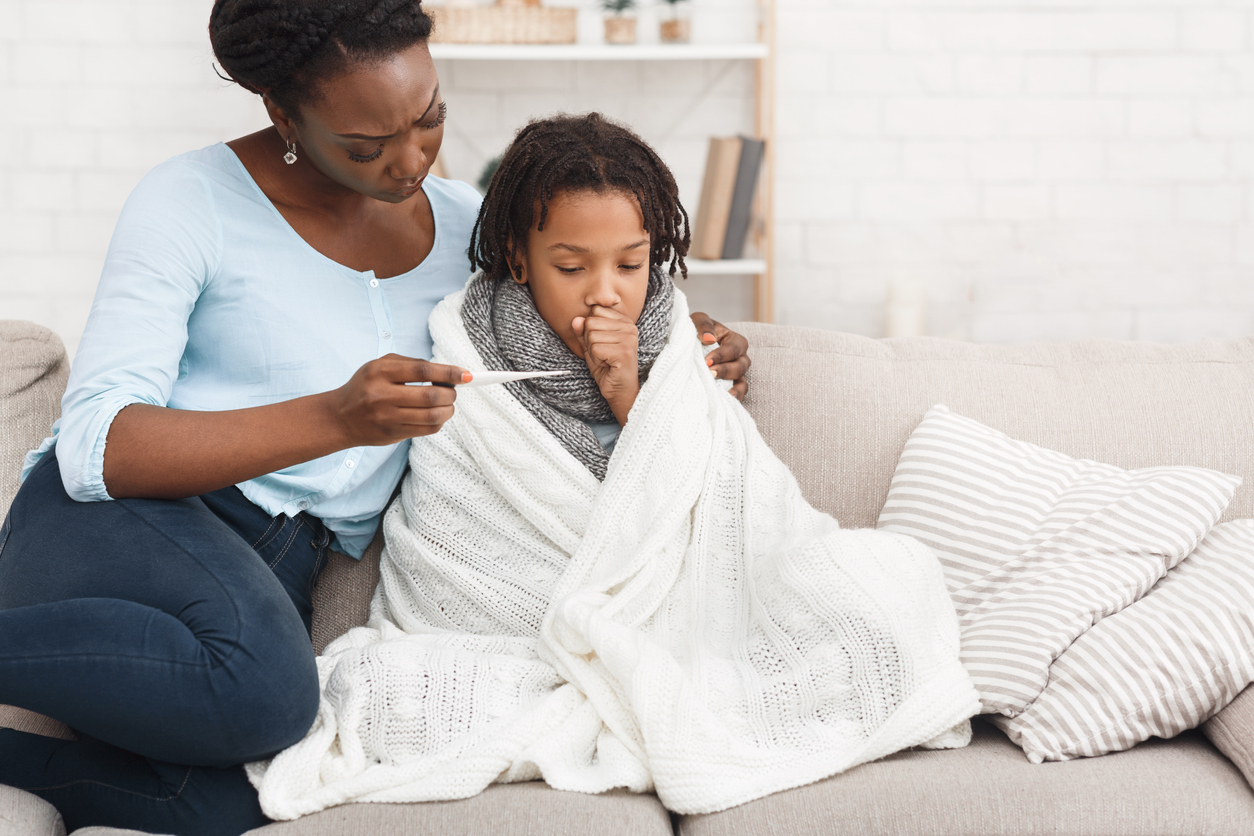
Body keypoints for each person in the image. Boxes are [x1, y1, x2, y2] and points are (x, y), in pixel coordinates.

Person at [0, 3, 751, 835]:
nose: (410, 160)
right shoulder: (189, 201)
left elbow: (580, 305)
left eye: (429, 118)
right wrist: (335, 417)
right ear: (282, 114)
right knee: (269, 694)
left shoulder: (470, 224)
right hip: (124, 527)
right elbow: (97, 445)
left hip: (278, 565)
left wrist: (685, 344)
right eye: (366, 144)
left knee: (260, 796)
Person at [248, 113, 978, 822]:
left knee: (888, 580)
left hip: (693, 616)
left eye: (630, 264)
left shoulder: (684, 343)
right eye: (572, 266)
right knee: (389, 685)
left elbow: (722, 495)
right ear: (517, 256)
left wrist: (632, 392)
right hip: (519, 631)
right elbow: (458, 522)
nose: (607, 290)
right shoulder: (464, 350)